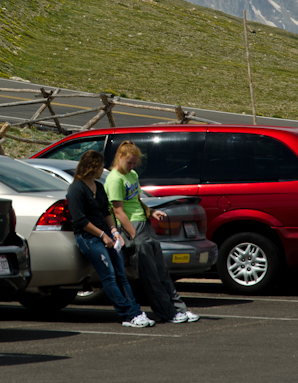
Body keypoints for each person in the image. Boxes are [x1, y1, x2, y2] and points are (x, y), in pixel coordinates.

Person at [105, 140, 199, 324]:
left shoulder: (132, 175)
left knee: (161, 271)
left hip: (144, 224)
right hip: (132, 227)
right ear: (120, 157)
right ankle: (168, 313)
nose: (132, 166)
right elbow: (117, 211)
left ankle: (179, 309)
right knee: (150, 275)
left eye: (135, 163)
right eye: (129, 162)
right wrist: (133, 234)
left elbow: (137, 200)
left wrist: (151, 212)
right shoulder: (114, 179)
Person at [66, 150, 154, 328]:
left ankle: (135, 311)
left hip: (106, 236)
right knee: (109, 276)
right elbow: (80, 220)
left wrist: (113, 231)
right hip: (89, 238)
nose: (102, 169)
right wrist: (102, 235)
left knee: (121, 275)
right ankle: (128, 315)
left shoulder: (98, 187)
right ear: (92, 166)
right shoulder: (76, 189)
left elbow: (106, 212)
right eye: (99, 165)